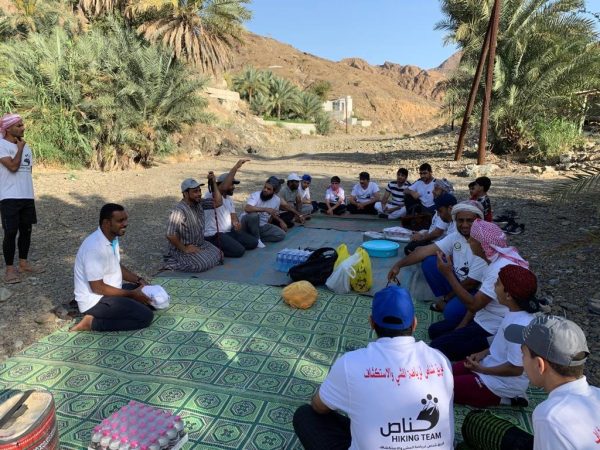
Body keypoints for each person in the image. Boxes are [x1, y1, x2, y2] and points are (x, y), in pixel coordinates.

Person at [293, 286, 454, 450]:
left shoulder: (351, 363)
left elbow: (319, 407)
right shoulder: (440, 360)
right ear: (414, 323)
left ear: (371, 323)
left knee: (305, 415)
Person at [431, 219, 529, 361]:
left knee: (436, 347)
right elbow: (479, 300)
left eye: (472, 240)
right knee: (434, 331)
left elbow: (474, 305)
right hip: (482, 316)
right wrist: (462, 325)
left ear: (483, 245)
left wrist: (448, 274)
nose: (469, 242)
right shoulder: (497, 259)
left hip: (492, 327)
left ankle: (488, 348)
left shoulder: (498, 269)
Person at [388, 201, 488, 340]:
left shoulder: (483, 244)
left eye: (469, 220)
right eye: (460, 220)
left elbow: (471, 283)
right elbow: (424, 251)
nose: (464, 225)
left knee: (450, 313)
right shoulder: (456, 236)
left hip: (476, 291)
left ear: (479, 221)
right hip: (459, 281)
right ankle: (452, 300)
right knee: (430, 261)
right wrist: (398, 265)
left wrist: (446, 299)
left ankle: (456, 306)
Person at [505, 315, 600, 450]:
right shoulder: (597, 393)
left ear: (539, 365)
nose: (522, 360)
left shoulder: (549, 416)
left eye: (523, 354)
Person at [453, 265, 540, 408]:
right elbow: (501, 344)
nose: (494, 285)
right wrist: (482, 354)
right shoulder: (513, 311)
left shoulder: (518, 327)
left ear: (508, 295)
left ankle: (506, 398)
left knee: (444, 389)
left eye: (498, 283)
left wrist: (482, 370)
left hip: (501, 382)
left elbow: (516, 369)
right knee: (445, 374)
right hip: (489, 364)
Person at [71, 203, 153, 332]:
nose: (125, 224)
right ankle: (92, 323)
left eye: (126, 219)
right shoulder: (94, 247)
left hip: (110, 291)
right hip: (95, 300)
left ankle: (127, 303)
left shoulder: (112, 238)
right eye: (120, 221)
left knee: (149, 298)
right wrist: (132, 295)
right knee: (145, 317)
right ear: (106, 223)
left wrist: (139, 280)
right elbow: (97, 287)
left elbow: (116, 266)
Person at [0, 113, 44, 284]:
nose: (23, 127)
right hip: (9, 196)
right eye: (18, 125)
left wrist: (22, 147)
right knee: (10, 232)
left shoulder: (26, 147)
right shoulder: (2, 145)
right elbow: (12, 167)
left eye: (22, 124)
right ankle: (10, 269)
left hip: (27, 195)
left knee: (26, 230)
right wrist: (19, 149)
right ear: (7, 128)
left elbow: (27, 171)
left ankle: (23, 264)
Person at [164, 175, 223, 272]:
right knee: (201, 265)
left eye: (199, 191)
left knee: (220, 255)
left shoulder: (199, 203)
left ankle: (200, 256)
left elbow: (218, 202)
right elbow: (170, 234)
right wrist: (185, 249)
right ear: (185, 193)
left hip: (201, 243)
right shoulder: (179, 210)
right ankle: (172, 263)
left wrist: (213, 183)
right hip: (184, 248)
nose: (199, 194)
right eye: (195, 191)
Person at [204, 159, 258, 258]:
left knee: (253, 243)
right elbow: (223, 188)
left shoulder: (229, 199)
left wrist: (236, 223)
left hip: (228, 232)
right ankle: (212, 248)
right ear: (220, 184)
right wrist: (236, 167)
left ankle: (229, 245)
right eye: (231, 184)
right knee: (239, 251)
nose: (233, 187)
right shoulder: (212, 194)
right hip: (214, 234)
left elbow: (233, 217)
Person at [403, 180, 455, 255]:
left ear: (444, 193)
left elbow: (437, 233)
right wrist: (422, 234)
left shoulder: (445, 212)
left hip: (436, 242)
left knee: (410, 249)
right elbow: (433, 229)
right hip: (433, 240)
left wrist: (421, 238)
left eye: (436, 189)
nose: (433, 192)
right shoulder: (439, 208)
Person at [241, 178, 287, 244]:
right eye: (265, 187)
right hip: (247, 224)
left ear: (274, 192)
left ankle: (253, 239)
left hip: (261, 226)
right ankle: (256, 239)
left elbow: (272, 215)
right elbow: (247, 208)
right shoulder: (256, 195)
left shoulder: (277, 200)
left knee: (281, 234)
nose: (265, 190)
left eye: (269, 189)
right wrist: (265, 209)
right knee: (254, 215)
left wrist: (281, 221)